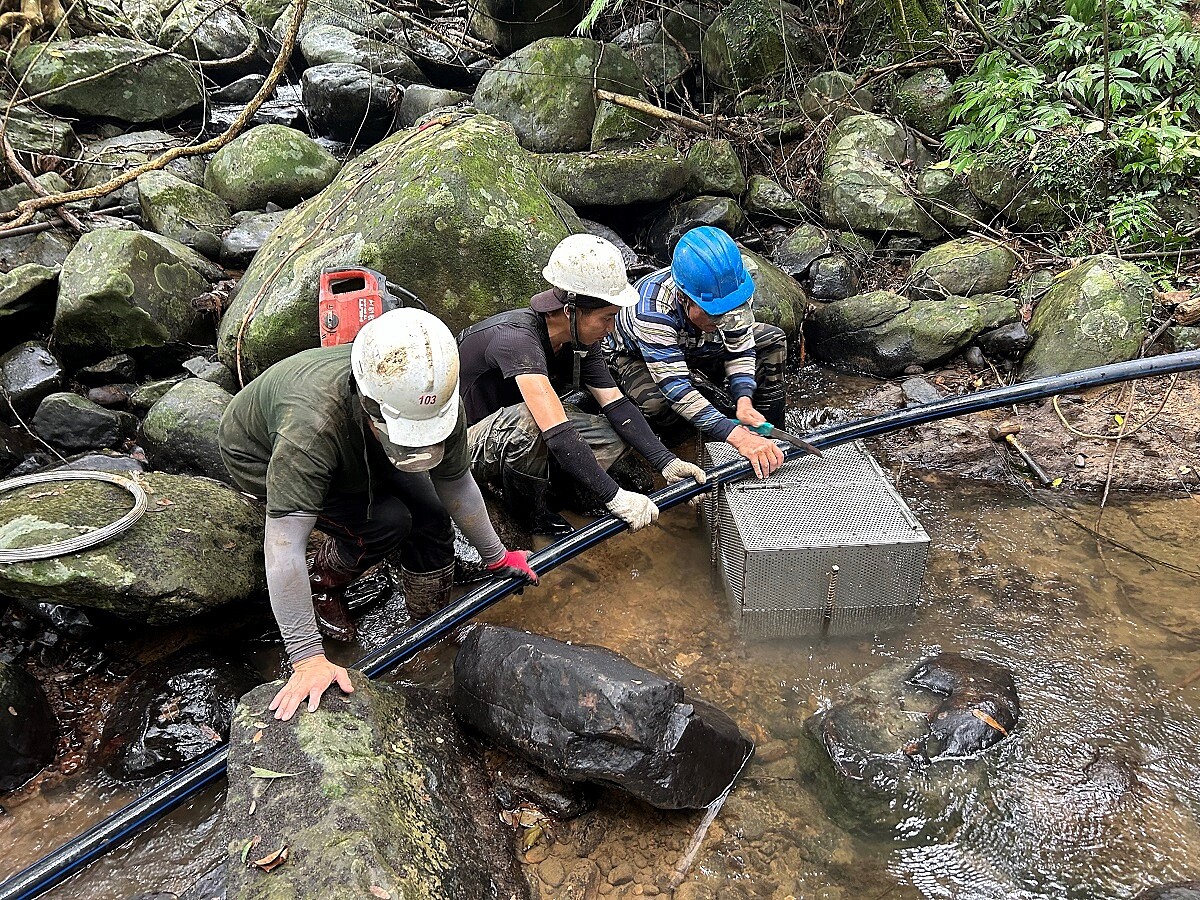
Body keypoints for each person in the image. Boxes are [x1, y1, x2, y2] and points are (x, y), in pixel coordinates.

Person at [218, 308, 537, 721]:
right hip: (259, 451)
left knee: (431, 514)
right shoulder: (311, 430)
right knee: (389, 521)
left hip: (365, 433)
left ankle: (431, 625)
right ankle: (323, 582)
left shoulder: (433, 397)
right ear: (370, 405)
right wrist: (308, 657)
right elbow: (282, 546)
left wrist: (497, 556)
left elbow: (457, 485)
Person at [458, 233, 707, 535]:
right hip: (462, 445)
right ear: (570, 311)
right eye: (606, 318)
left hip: (509, 426)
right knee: (530, 423)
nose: (611, 328)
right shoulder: (516, 339)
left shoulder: (581, 340)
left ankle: (556, 485)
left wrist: (666, 462)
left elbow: (616, 404)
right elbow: (552, 426)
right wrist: (614, 497)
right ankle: (528, 516)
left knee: (613, 434)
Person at [608, 226, 787, 479]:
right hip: (637, 353)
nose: (726, 318)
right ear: (684, 298)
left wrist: (744, 399)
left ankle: (769, 436)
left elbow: (741, 345)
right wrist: (736, 437)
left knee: (771, 340)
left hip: (698, 340)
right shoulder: (649, 310)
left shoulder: (730, 287)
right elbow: (677, 390)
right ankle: (690, 448)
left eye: (730, 309)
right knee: (656, 404)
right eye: (716, 313)